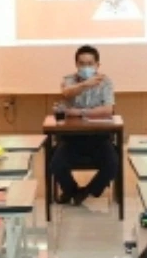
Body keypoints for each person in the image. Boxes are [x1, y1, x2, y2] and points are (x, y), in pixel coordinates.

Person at [51, 45, 119, 206]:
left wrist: (80, 113)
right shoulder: (68, 80)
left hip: (99, 137)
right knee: (55, 164)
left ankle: (87, 191)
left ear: (97, 65)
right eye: (82, 64)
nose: (85, 67)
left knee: (113, 164)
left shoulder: (105, 82)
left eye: (90, 64)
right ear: (76, 64)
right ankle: (71, 190)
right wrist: (86, 84)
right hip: (71, 138)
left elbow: (108, 110)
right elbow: (66, 93)